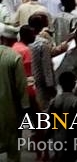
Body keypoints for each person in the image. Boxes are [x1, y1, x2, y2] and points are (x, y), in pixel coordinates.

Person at [0, 23, 29, 162]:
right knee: (13, 147)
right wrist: (25, 107)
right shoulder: (14, 57)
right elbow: (21, 85)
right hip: (10, 110)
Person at [47, 71, 77, 162]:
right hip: (71, 142)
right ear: (74, 84)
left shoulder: (53, 101)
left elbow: (50, 126)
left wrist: (45, 146)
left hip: (57, 141)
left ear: (60, 84)